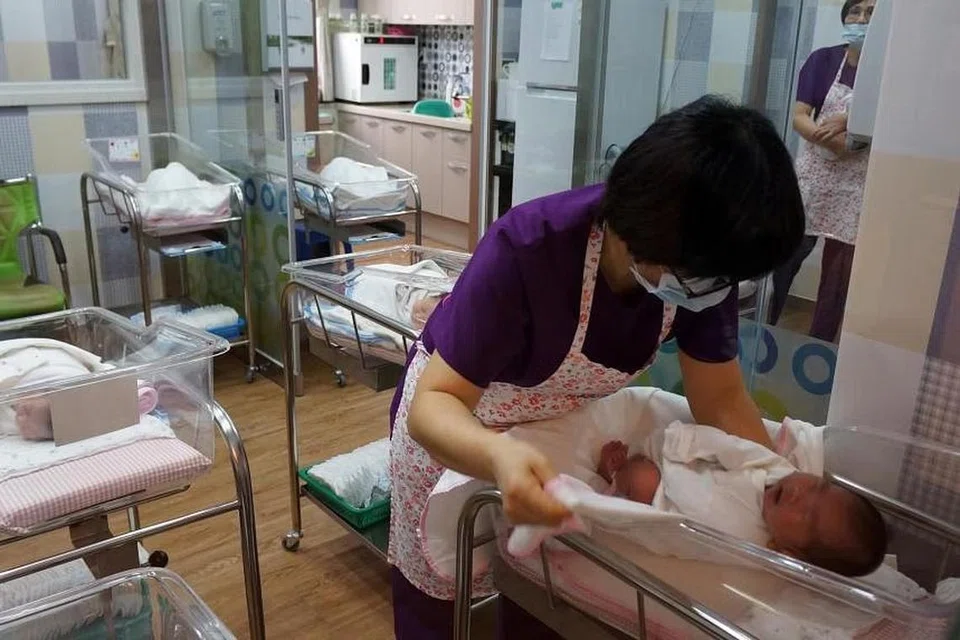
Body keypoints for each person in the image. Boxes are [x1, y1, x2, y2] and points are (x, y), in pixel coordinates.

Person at [388, 95, 806, 639]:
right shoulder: (528, 249)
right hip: (455, 423)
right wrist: (498, 454)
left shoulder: (700, 273)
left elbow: (721, 398)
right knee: (438, 601)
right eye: (711, 278)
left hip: (553, 435)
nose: (718, 291)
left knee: (540, 589)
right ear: (649, 231)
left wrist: (781, 484)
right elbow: (435, 404)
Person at [597, 433, 887, 578]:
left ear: (790, 552)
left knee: (641, 480)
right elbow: (729, 447)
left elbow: (687, 534)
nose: (798, 492)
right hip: (681, 465)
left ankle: (613, 478)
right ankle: (625, 473)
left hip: (666, 505)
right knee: (648, 464)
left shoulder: (756, 548)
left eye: (807, 515)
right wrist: (679, 443)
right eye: (816, 486)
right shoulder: (774, 471)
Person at [769, 0, 875, 341]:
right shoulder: (823, 60)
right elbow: (800, 115)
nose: (861, 19)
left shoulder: (888, 73)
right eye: (855, 11)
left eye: (871, 13)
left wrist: (848, 121)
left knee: (837, 277)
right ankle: (765, 328)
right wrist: (827, 139)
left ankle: (818, 347)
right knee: (784, 255)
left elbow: (884, 121)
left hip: (856, 183)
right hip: (814, 174)